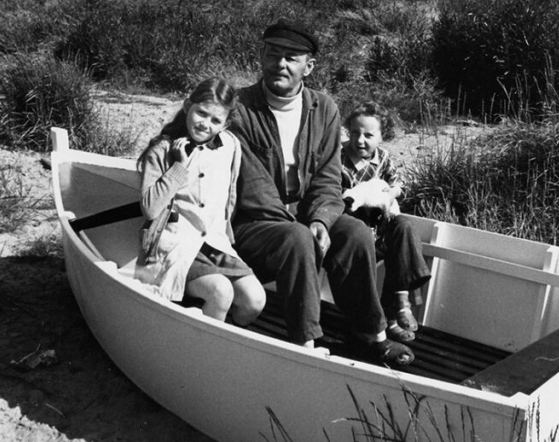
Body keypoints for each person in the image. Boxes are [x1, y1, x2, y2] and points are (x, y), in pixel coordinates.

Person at [229, 19, 414, 367]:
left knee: (355, 232)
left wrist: (321, 220)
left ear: (308, 67)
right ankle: (305, 344)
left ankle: (370, 335)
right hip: (253, 222)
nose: (280, 64)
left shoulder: (324, 109)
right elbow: (252, 188)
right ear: (261, 58)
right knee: (298, 238)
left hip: (304, 215)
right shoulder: (239, 108)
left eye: (291, 57)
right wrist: (303, 226)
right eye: (272, 54)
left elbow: (328, 179)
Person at [136, 76, 266, 326]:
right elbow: (150, 209)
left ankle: (215, 328)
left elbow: (229, 198)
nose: (205, 124)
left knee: (254, 300)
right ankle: (205, 350)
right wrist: (178, 168)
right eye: (201, 113)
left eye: (216, 120)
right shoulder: (162, 150)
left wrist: (228, 237)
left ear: (226, 124)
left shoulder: (230, 146)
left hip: (214, 244)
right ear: (187, 106)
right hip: (173, 245)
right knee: (221, 291)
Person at [340, 104, 431, 343]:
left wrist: (391, 194)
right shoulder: (338, 159)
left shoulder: (384, 158)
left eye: (369, 135)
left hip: (380, 229)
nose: (360, 140)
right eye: (355, 133)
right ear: (347, 131)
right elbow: (337, 196)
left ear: (381, 137)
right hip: (353, 234)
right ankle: (377, 323)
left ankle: (399, 305)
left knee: (404, 227)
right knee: (366, 249)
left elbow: (399, 184)